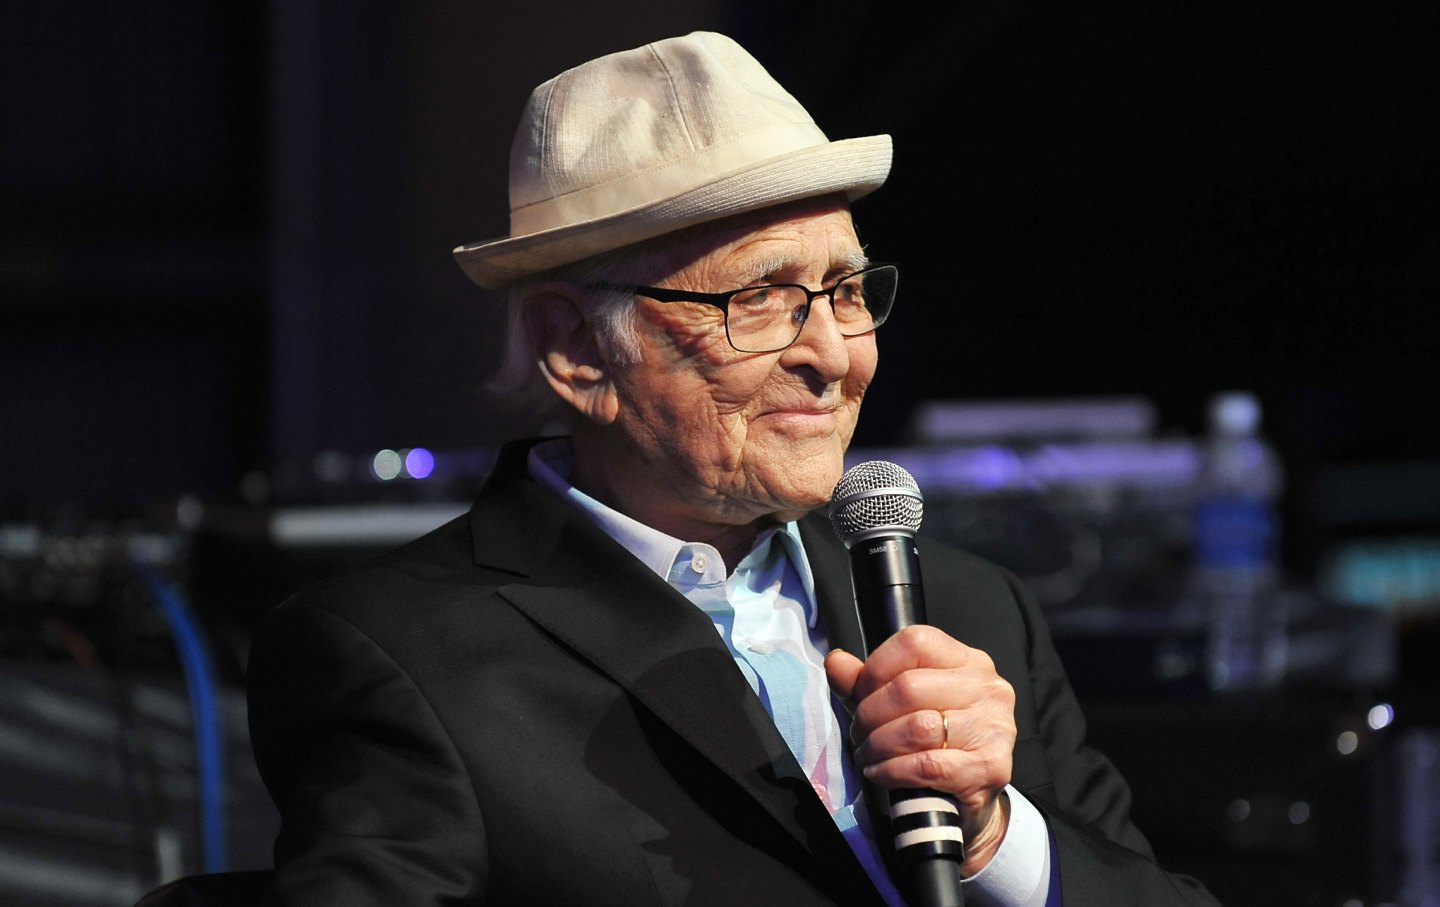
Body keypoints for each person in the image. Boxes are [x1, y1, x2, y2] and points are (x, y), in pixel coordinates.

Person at [246, 31, 1221, 906]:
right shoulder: (404, 653)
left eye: (844, 290)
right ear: (577, 347)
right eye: (760, 300)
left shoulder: (971, 615)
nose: (835, 354)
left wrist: (996, 834)